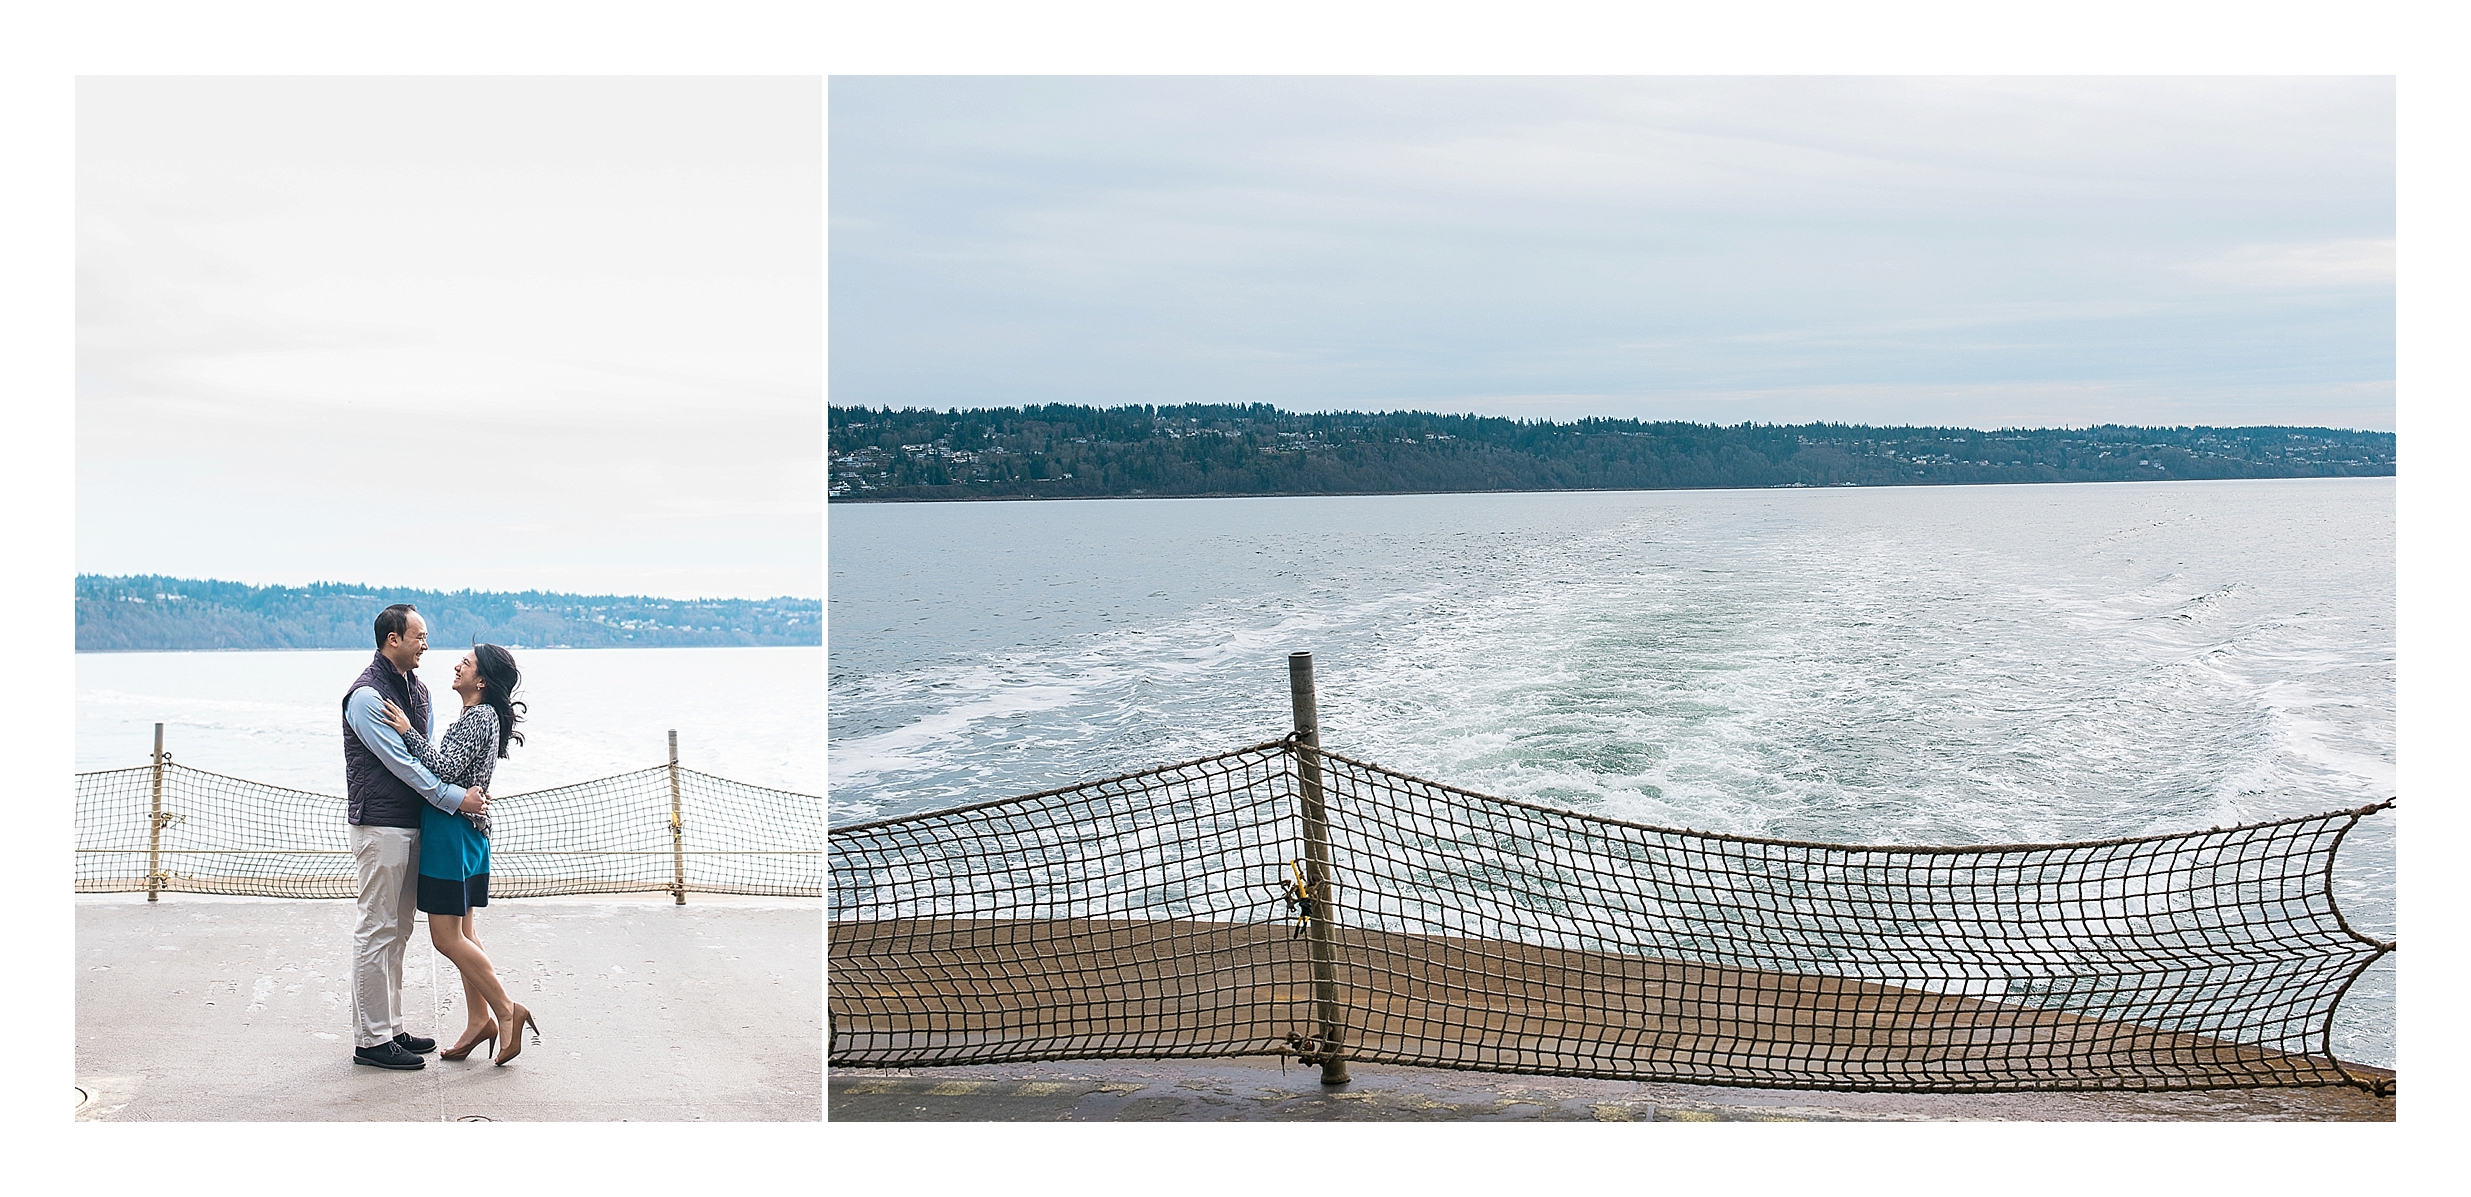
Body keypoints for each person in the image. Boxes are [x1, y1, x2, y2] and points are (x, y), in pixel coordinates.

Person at [342, 604, 490, 1071]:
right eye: (419, 636)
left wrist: (443, 800)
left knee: (400, 929)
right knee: (377, 928)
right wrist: (454, 799)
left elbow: (425, 758)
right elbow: (403, 766)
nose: (426, 644)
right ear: (393, 639)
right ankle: (371, 1040)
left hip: (414, 826)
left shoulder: (420, 692)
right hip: (381, 826)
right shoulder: (366, 697)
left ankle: (392, 1028)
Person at [380, 642, 541, 1065]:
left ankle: (507, 1011)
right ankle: (479, 1020)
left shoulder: (480, 716)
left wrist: (406, 732)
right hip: (465, 833)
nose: (457, 665)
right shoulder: (479, 716)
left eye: (466, 663)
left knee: (445, 938)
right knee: (465, 934)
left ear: (482, 680)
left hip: (451, 834)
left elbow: (445, 769)